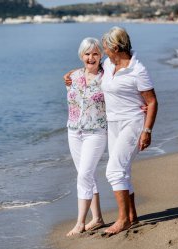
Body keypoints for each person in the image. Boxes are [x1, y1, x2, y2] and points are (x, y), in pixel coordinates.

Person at [100, 26, 158, 234]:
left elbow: (151, 102)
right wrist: (71, 75)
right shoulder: (108, 64)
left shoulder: (138, 70)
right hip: (113, 123)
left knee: (114, 171)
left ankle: (122, 219)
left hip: (132, 123)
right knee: (122, 170)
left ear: (115, 47)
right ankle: (132, 216)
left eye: (106, 47)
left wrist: (147, 131)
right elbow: (90, 68)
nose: (104, 50)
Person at [64, 37, 107, 236]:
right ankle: (97, 218)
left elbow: (121, 94)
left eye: (95, 53)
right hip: (74, 131)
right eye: (87, 53)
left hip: (96, 132)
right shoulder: (73, 76)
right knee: (85, 173)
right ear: (81, 56)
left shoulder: (107, 77)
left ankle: (80, 222)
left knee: (84, 175)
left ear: (101, 55)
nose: (91, 57)